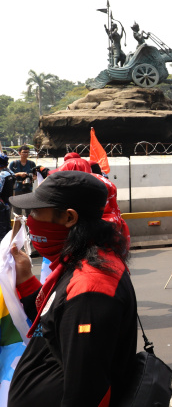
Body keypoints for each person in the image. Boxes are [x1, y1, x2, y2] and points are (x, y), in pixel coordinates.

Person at [7, 171, 137, 405]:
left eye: (36, 212)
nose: (31, 220)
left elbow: (86, 391)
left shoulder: (90, 287)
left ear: (69, 217)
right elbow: (55, 321)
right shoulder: (82, 260)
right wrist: (25, 280)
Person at [10, 145, 35, 215]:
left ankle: (28, 225)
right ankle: (18, 225)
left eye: (27, 152)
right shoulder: (14, 164)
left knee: (29, 211)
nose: (25, 154)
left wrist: (30, 178)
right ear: (19, 153)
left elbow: (35, 176)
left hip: (28, 189)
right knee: (17, 212)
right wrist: (18, 174)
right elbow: (9, 176)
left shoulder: (31, 164)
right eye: (24, 152)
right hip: (17, 189)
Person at [0, 154, 14, 239]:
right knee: (7, 226)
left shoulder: (2, 175)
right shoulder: (11, 173)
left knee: (1, 228)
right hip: (8, 203)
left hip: (1, 205)